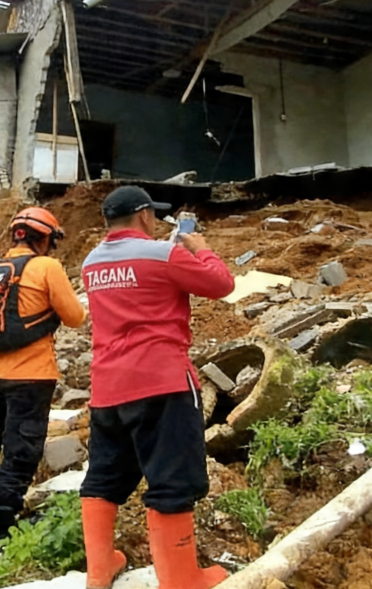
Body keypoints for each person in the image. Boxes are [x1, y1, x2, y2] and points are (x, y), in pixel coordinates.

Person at [79, 186, 235, 589]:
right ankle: (182, 580)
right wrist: (200, 248)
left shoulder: (91, 263)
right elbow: (221, 284)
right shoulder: (164, 255)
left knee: (104, 476)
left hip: (108, 388)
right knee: (172, 481)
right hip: (161, 382)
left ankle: (99, 571)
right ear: (146, 216)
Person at [0, 207, 87, 558]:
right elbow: (76, 318)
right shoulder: (47, 267)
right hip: (32, 374)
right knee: (22, 456)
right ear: (46, 238)